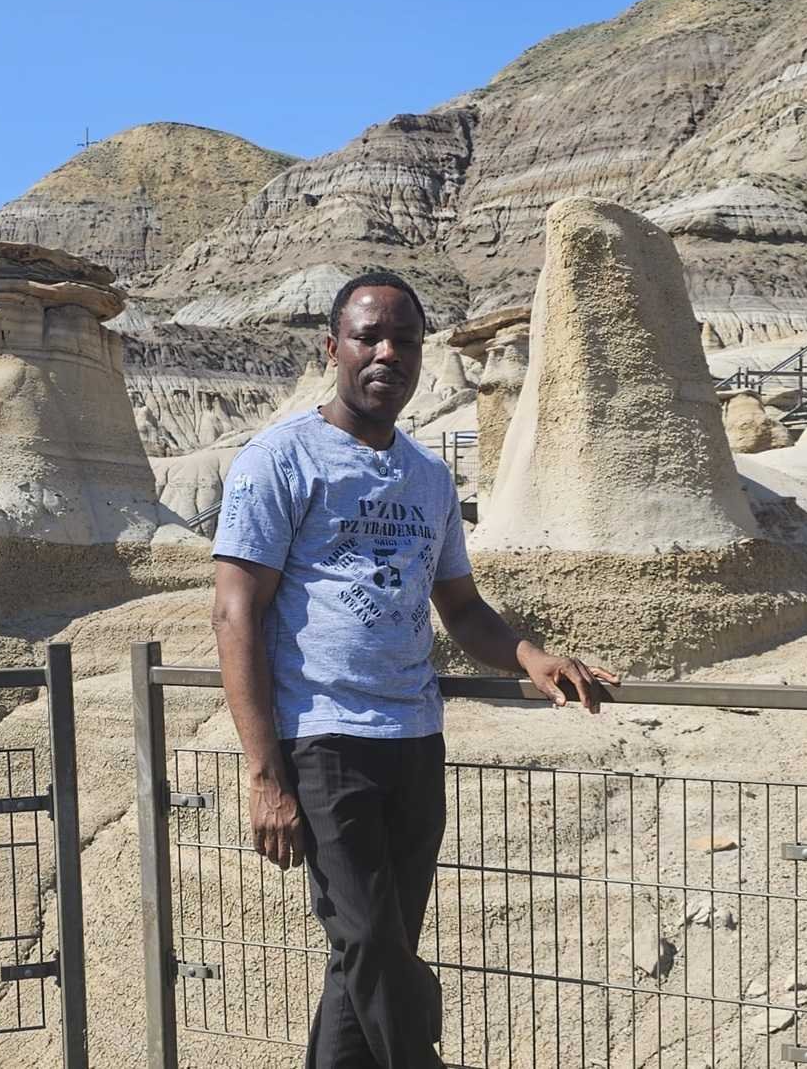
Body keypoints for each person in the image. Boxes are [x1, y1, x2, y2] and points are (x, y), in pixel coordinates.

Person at [211, 270, 619, 1069]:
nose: (386, 352)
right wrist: (265, 772)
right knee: (368, 939)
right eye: (368, 335)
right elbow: (235, 612)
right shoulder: (280, 459)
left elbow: (462, 609)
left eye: (404, 338)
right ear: (332, 347)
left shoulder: (429, 477)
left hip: (415, 738)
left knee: (371, 952)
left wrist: (532, 656)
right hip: (325, 741)